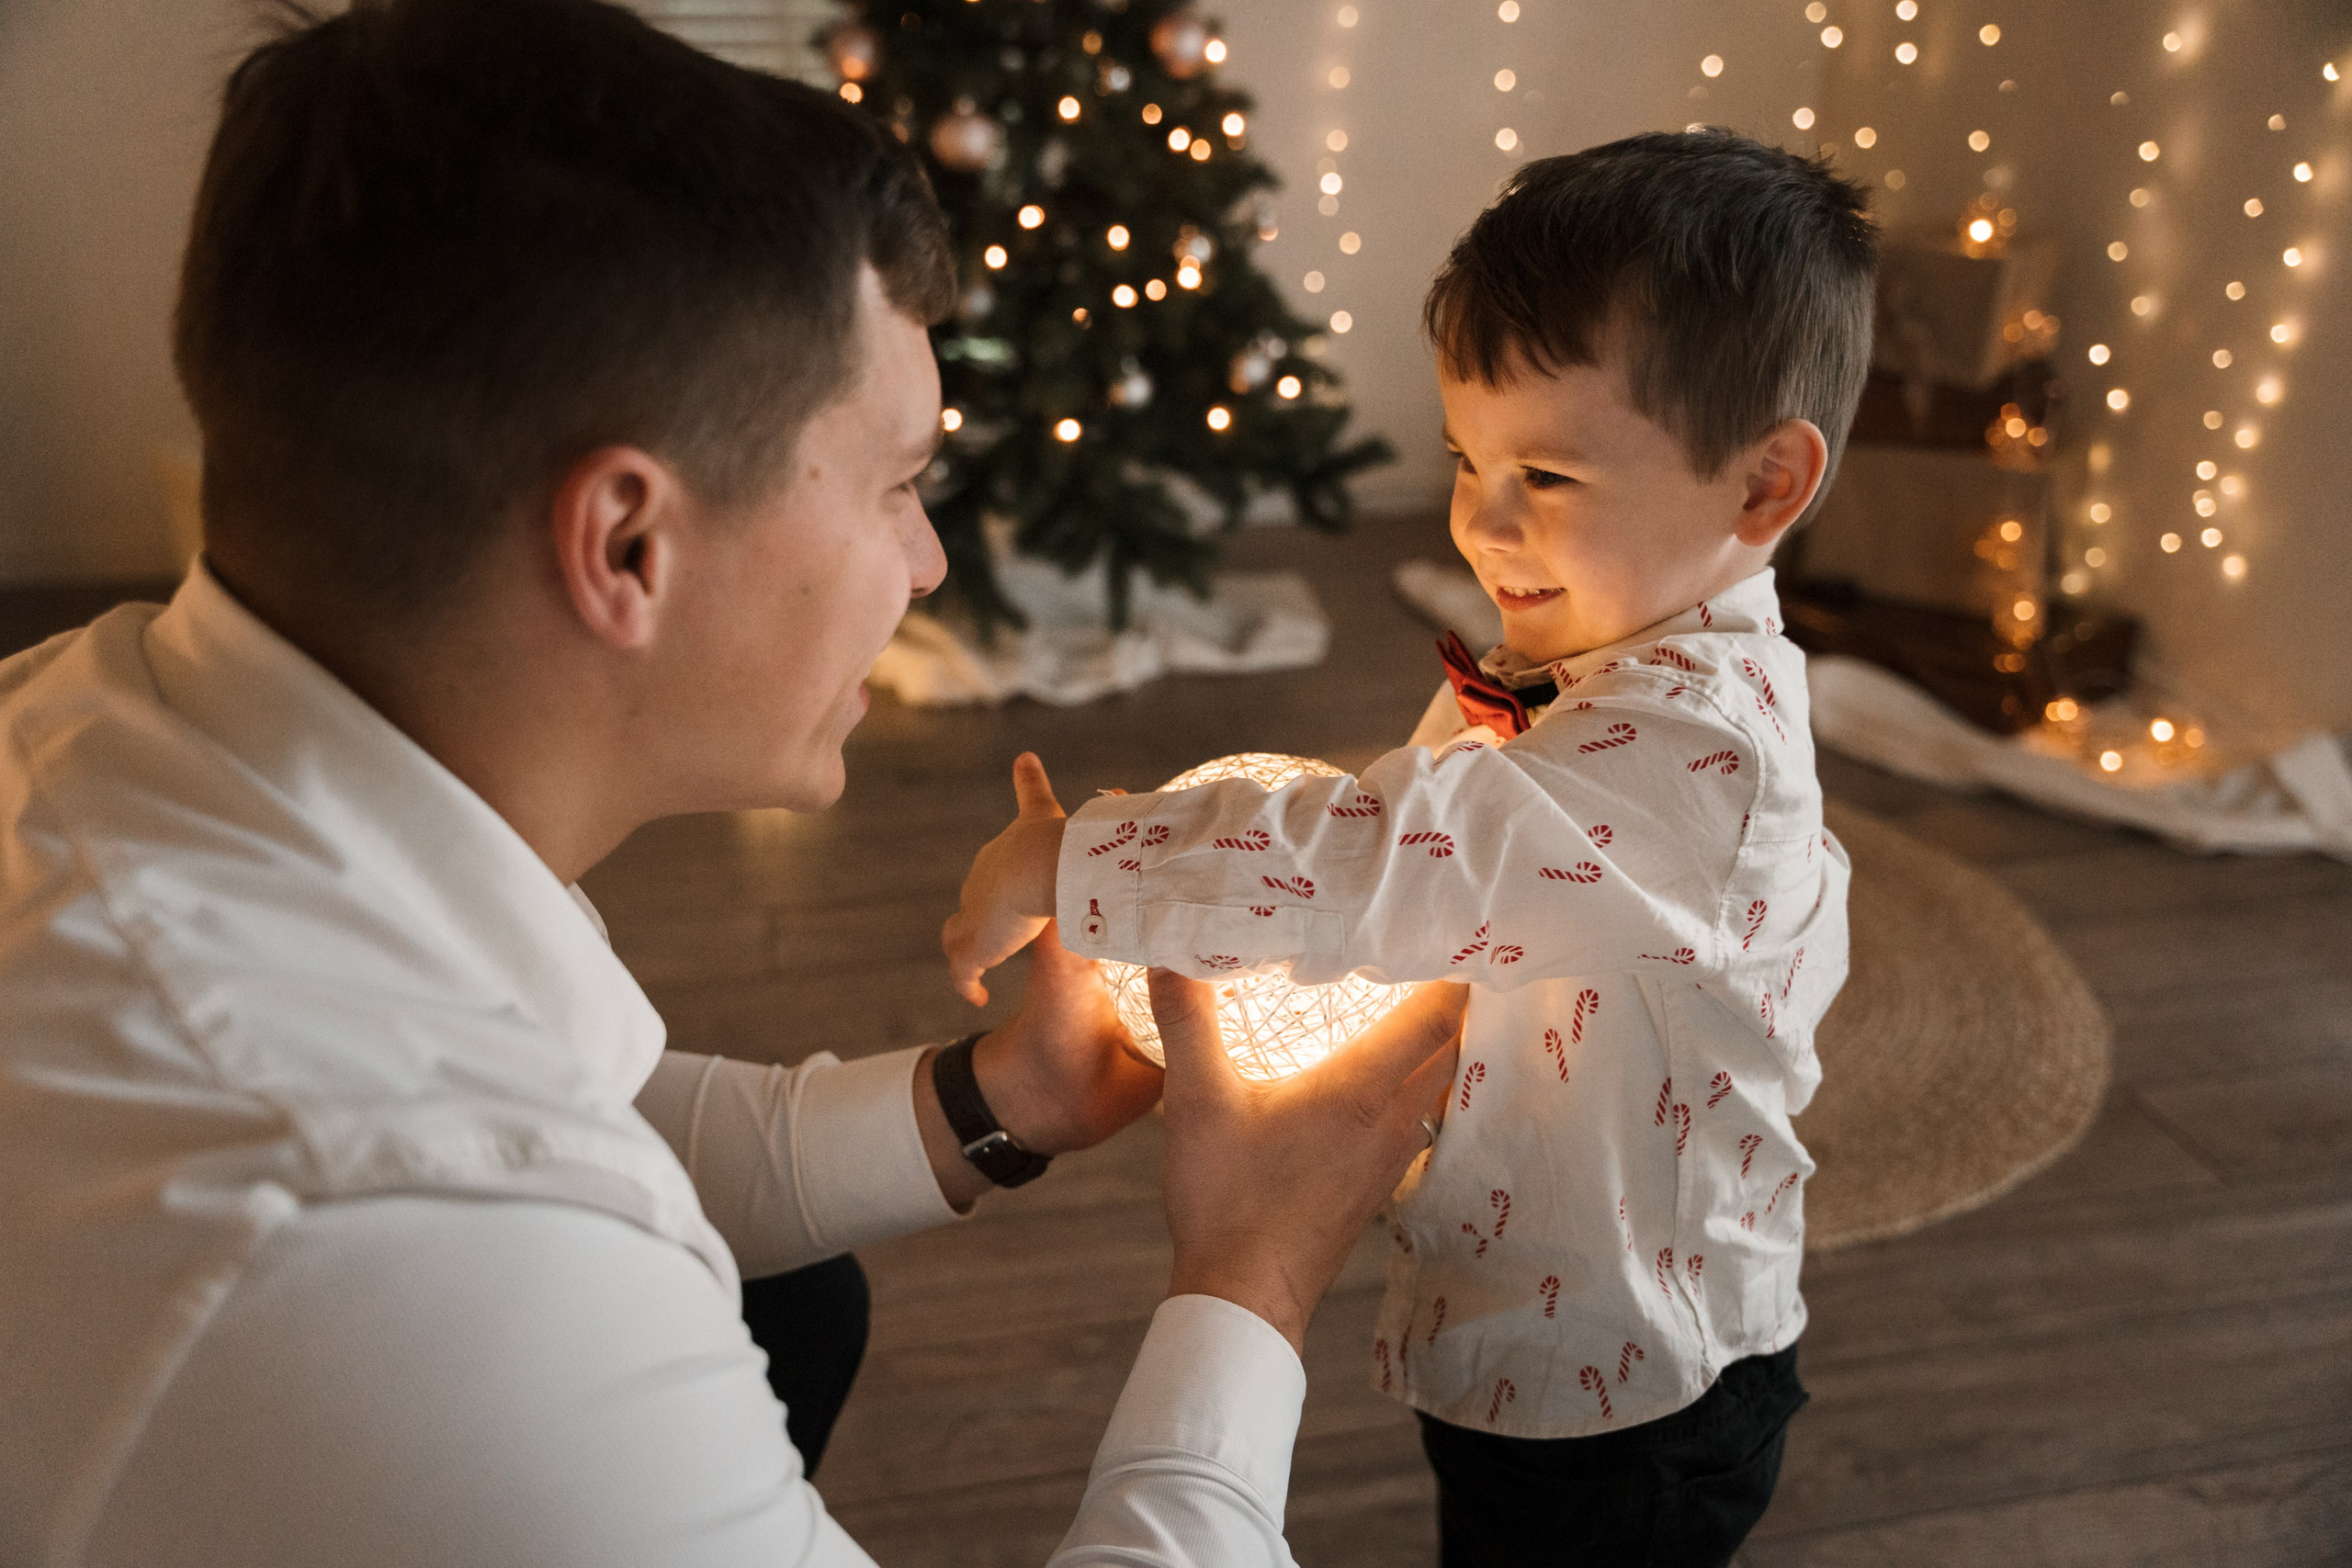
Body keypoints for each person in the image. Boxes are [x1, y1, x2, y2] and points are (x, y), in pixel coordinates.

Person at [0, 2, 1466, 1563]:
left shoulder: (105, 723)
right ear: (628, 546)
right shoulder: (414, 1260)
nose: (929, 562)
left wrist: (999, 1101)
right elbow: (494, 1181)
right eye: (900, 484)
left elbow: (593, 1114)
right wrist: (1254, 1272)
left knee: (795, 1285)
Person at [947, 130, 1872, 1566]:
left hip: (1628, 1386)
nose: (1483, 521)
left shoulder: (1701, 751)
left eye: (1549, 476)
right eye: (1466, 458)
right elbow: (1432, 865)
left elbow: (1391, 857)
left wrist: (1086, 864)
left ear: (1762, 488)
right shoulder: (1577, 654)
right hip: (1512, 1315)